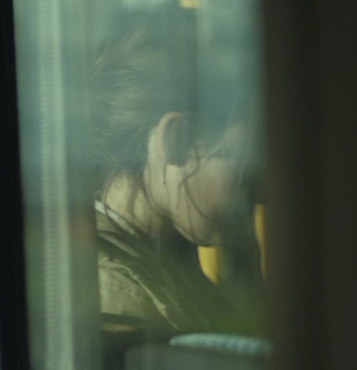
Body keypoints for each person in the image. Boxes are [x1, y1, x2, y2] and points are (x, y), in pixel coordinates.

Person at [87, 17, 260, 338]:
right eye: (244, 167)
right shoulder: (113, 293)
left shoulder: (166, 263)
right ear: (174, 140)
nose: (258, 194)